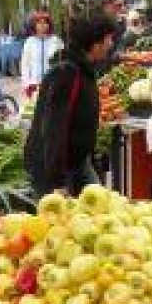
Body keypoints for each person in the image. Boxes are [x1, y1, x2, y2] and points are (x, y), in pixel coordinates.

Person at [23, 14, 116, 196]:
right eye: (108, 39)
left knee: (101, 204)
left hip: (78, 162)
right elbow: (54, 129)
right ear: (95, 43)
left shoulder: (84, 69)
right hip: (58, 170)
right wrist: (58, 182)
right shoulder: (67, 74)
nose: (111, 44)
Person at [20, 12, 63, 94]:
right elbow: (25, 64)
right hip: (35, 85)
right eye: (39, 23)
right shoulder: (29, 42)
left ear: (49, 25)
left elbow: (62, 62)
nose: (42, 25)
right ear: (34, 25)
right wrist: (26, 83)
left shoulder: (56, 41)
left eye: (45, 22)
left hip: (53, 84)